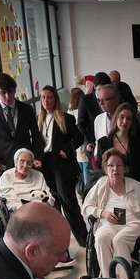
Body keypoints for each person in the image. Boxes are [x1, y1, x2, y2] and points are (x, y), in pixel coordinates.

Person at [83, 148, 140, 278]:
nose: (115, 169)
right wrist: (102, 212)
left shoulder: (135, 186)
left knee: (119, 240)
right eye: (111, 165)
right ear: (105, 169)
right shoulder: (101, 184)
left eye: (119, 165)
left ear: (125, 169)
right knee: (100, 238)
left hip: (133, 223)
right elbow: (86, 206)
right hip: (108, 223)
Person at [37, 84, 88, 246]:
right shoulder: (39, 120)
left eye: (49, 97)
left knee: (68, 202)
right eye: (43, 97)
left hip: (61, 163)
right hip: (44, 164)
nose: (46, 101)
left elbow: (79, 138)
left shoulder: (66, 118)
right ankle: (59, 243)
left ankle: (84, 240)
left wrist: (66, 149)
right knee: (53, 203)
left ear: (55, 100)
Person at [0, 73, 43, 176]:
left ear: (14, 90)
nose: (7, 96)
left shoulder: (26, 109)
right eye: (3, 93)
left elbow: (36, 135)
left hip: (26, 162)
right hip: (3, 164)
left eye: (10, 92)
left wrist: (36, 156)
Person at [95, 102, 140, 186]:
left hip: (136, 186)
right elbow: (99, 167)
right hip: (111, 186)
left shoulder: (139, 141)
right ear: (116, 118)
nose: (125, 121)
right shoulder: (103, 142)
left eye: (129, 118)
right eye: (121, 117)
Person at [0, 147, 54, 212]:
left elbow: (47, 194)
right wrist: (26, 210)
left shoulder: (39, 175)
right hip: (19, 210)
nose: (25, 165)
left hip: (40, 208)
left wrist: (46, 204)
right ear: (16, 162)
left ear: (32, 164)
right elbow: (11, 200)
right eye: (22, 162)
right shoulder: (7, 176)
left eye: (29, 162)